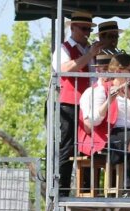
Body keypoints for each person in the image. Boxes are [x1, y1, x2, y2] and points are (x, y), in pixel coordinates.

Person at [54, 12, 96, 192]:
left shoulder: (89, 49)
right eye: (83, 29)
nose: (87, 32)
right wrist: (90, 54)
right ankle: (62, 189)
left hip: (89, 104)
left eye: (89, 29)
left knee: (88, 146)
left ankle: (86, 190)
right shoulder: (63, 48)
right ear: (72, 28)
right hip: (69, 103)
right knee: (68, 145)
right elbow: (66, 69)